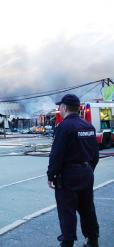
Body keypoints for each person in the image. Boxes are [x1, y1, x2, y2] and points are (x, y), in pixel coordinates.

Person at [48, 94, 99, 247]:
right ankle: (92, 240)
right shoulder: (88, 126)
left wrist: (51, 175)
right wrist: (88, 169)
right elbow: (95, 154)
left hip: (68, 176)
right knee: (87, 208)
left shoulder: (63, 127)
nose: (59, 109)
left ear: (64, 107)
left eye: (60, 107)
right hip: (86, 172)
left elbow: (56, 154)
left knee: (67, 211)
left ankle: (67, 242)